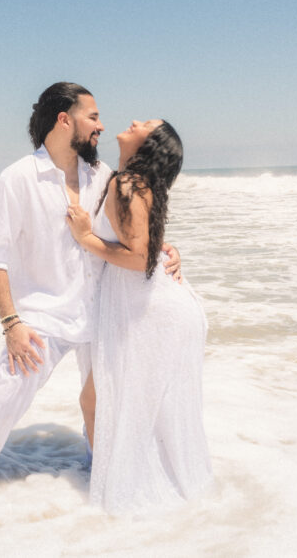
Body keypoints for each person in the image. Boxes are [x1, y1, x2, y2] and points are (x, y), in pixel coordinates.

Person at [0, 83, 180, 487]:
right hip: (44, 316)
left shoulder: (103, 176)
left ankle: (102, 486)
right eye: (93, 117)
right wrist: (12, 324)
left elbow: (131, 231)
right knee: (3, 398)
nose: (101, 126)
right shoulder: (18, 178)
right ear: (65, 120)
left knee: (107, 408)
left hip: (103, 310)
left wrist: (165, 250)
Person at [66, 119, 212, 514]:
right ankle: (121, 481)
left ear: (150, 143)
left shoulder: (127, 183)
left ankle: (113, 492)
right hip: (149, 307)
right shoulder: (133, 182)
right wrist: (167, 247)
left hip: (147, 311)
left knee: (97, 401)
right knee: (129, 405)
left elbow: (139, 258)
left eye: (146, 124)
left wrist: (85, 239)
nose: (134, 121)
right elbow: (146, 244)